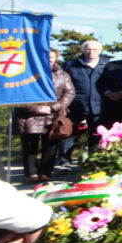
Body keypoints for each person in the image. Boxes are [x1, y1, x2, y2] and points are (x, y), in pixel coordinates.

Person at [15, 49, 74, 182]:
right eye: (46, 56)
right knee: (30, 146)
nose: (49, 59)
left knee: (50, 145)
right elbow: (18, 93)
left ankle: (46, 172)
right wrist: (36, 108)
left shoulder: (63, 75)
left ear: (56, 58)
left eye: (52, 57)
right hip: (29, 115)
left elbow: (69, 93)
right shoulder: (25, 72)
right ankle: (31, 173)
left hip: (52, 115)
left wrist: (54, 107)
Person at [63, 39, 106, 160]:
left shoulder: (107, 65)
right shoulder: (70, 65)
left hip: (98, 106)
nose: (91, 52)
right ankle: (64, 160)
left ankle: (93, 159)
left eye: (95, 49)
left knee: (96, 133)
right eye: (88, 49)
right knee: (69, 133)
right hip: (75, 104)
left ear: (100, 51)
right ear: (83, 51)